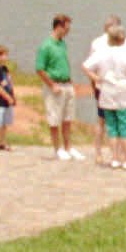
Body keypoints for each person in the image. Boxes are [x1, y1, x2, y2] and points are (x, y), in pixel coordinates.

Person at [86, 22, 126, 170]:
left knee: (112, 127)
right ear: (122, 39)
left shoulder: (102, 53)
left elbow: (86, 66)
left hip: (106, 91)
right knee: (125, 127)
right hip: (123, 92)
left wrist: (95, 77)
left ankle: (115, 157)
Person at [35, 13, 83, 161]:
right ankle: (58, 148)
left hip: (67, 83)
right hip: (54, 85)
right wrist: (51, 84)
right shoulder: (46, 46)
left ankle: (69, 147)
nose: (68, 31)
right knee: (54, 118)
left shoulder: (62, 43)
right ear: (58, 27)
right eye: (66, 28)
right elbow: (40, 69)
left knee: (68, 117)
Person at [83, 15, 122, 162]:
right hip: (115, 86)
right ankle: (116, 153)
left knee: (101, 120)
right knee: (117, 120)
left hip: (101, 85)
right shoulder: (122, 42)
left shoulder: (96, 43)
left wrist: (94, 83)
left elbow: (90, 67)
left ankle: (99, 153)